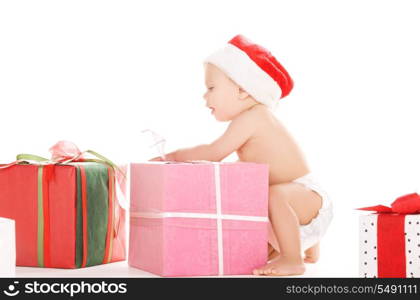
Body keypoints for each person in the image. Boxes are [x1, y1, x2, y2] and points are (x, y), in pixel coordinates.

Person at [150, 34, 333, 276]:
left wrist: (170, 156)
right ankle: (308, 250)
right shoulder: (250, 121)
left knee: (276, 194)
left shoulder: (254, 117)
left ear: (242, 90)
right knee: (254, 199)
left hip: (307, 199)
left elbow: (213, 152)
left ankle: (292, 259)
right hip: (297, 211)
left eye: (211, 88)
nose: (205, 97)